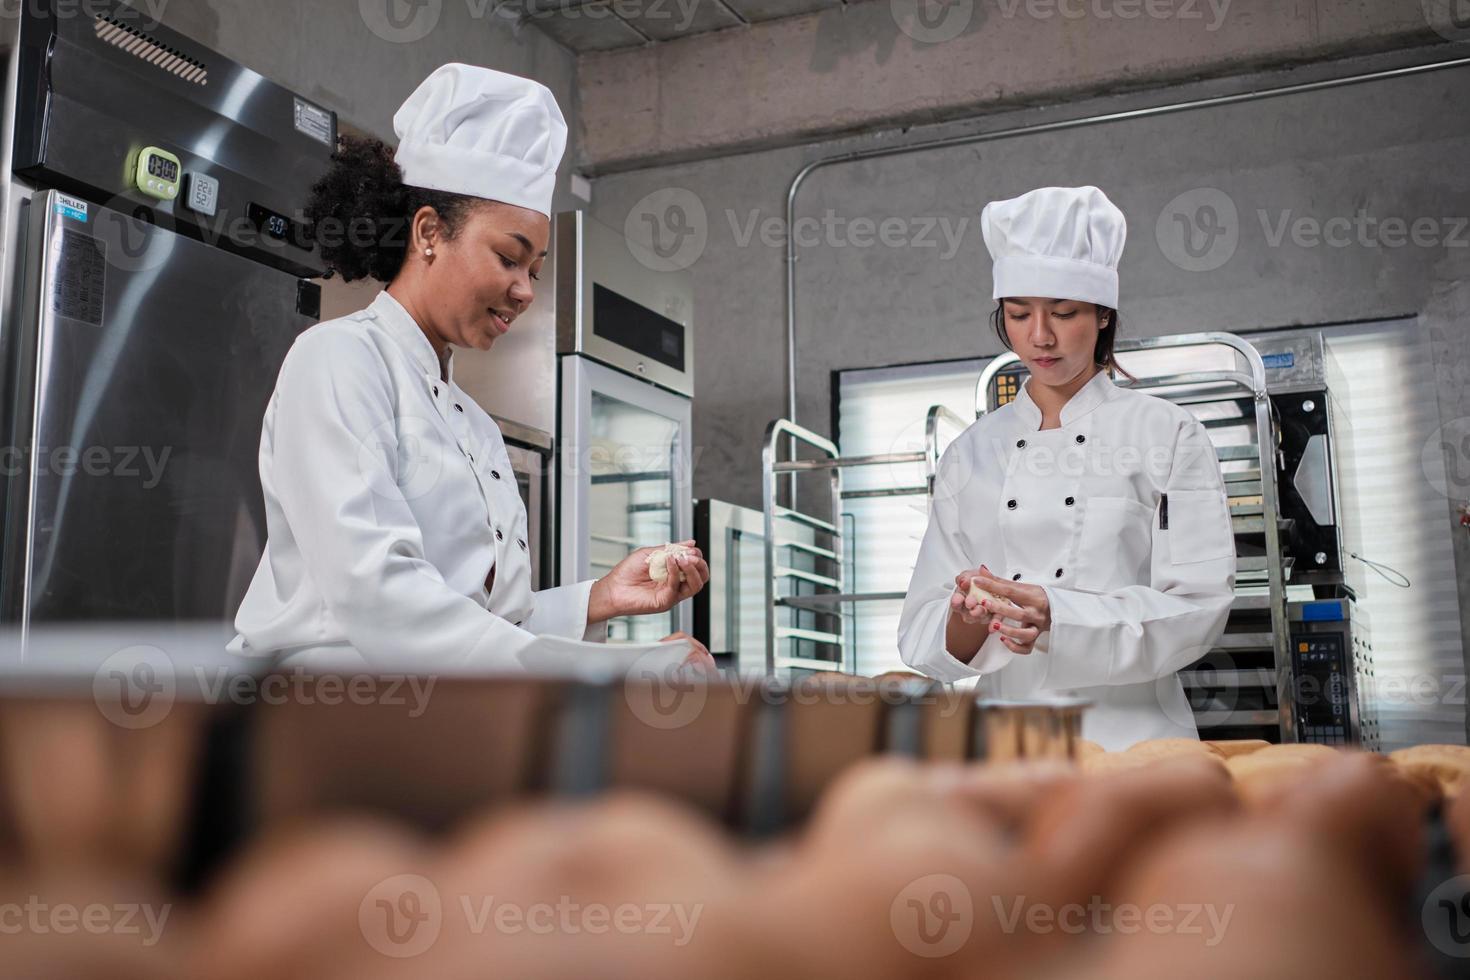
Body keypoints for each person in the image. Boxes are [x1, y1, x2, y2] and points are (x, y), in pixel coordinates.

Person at [229, 64, 711, 670]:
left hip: (432, 725)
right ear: (429, 231)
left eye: (534, 271)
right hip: (320, 726)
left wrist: (597, 598)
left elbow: (483, 627)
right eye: (509, 258)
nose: (525, 290)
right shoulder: (337, 360)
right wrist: (613, 672)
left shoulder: (476, 427)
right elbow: (382, 597)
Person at [897, 185, 1235, 748]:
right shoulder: (972, 452)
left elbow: (1198, 606)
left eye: (1064, 312)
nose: (1039, 336)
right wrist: (964, 618)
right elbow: (923, 630)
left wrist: (1056, 615)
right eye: (1018, 313)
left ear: (1104, 314)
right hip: (1005, 744)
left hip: (1137, 744)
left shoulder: (1166, 434)